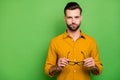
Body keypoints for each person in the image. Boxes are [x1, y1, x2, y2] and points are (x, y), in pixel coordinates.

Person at [44, 2, 102, 80]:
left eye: (76, 17)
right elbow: (48, 70)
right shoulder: (55, 42)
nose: (73, 21)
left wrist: (93, 66)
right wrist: (58, 67)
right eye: (69, 17)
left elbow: (97, 71)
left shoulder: (91, 41)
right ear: (65, 18)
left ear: (81, 18)